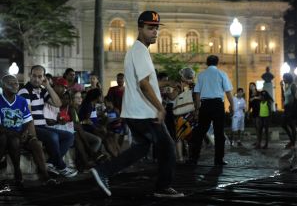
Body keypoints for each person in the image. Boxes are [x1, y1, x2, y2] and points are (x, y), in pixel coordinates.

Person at [90, 11, 184, 198]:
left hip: (135, 112)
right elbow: (143, 84)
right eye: (150, 28)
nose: (154, 32)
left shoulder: (137, 51)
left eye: (156, 28)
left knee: (140, 149)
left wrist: (165, 85)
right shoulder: (140, 51)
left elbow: (144, 82)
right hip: (145, 113)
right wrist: (160, 107)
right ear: (140, 28)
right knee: (168, 148)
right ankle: (163, 187)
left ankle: (104, 171)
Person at [18, 65, 77, 178]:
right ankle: (61, 166)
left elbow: (58, 104)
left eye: (39, 76)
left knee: (69, 136)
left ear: (43, 78)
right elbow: (28, 116)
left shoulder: (42, 90)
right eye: (34, 76)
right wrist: (33, 135)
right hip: (32, 127)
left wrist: (48, 87)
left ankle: (50, 163)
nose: (36, 79)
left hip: (42, 127)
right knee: (53, 136)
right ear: (30, 76)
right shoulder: (25, 91)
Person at [0, 75, 58, 186]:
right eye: (11, 83)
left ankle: (45, 176)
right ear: (3, 86)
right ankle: (18, 171)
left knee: (35, 142)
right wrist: (17, 134)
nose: (15, 85)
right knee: (13, 140)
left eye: (16, 83)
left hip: (20, 133)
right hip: (6, 136)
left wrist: (26, 133)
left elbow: (28, 120)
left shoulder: (21, 101)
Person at [188, 55, 234, 166]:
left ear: (207, 63)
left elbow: (197, 93)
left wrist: (197, 108)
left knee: (200, 131)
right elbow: (228, 92)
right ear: (217, 63)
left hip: (205, 105)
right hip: (218, 104)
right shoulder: (222, 74)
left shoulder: (201, 75)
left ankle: (194, 158)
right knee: (219, 133)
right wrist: (232, 105)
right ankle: (218, 160)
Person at [281, 73, 297, 149]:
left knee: (292, 126)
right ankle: (292, 141)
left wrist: (294, 109)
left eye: (284, 78)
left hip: (291, 108)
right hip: (286, 108)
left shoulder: (293, 85)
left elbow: (295, 97)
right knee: (283, 124)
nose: (283, 79)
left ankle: (293, 143)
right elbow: (284, 97)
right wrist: (281, 87)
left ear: (288, 78)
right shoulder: (286, 86)